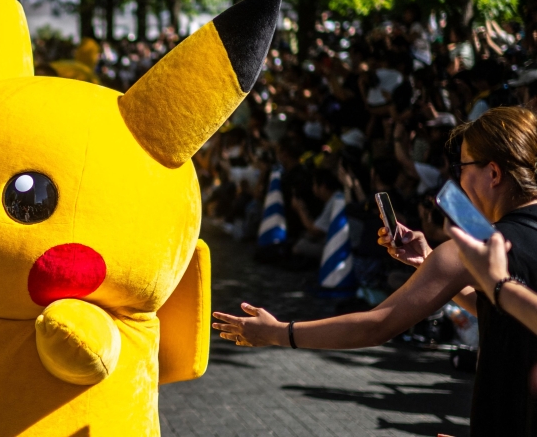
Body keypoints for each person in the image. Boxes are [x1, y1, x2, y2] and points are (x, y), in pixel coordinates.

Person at [212, 106, 537, 436]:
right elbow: (511, 312)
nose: (459, 179)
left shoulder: (471, 249)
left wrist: (278, 332)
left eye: (462, 166)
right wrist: (429, 263)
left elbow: (375, 326)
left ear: (493, 173)